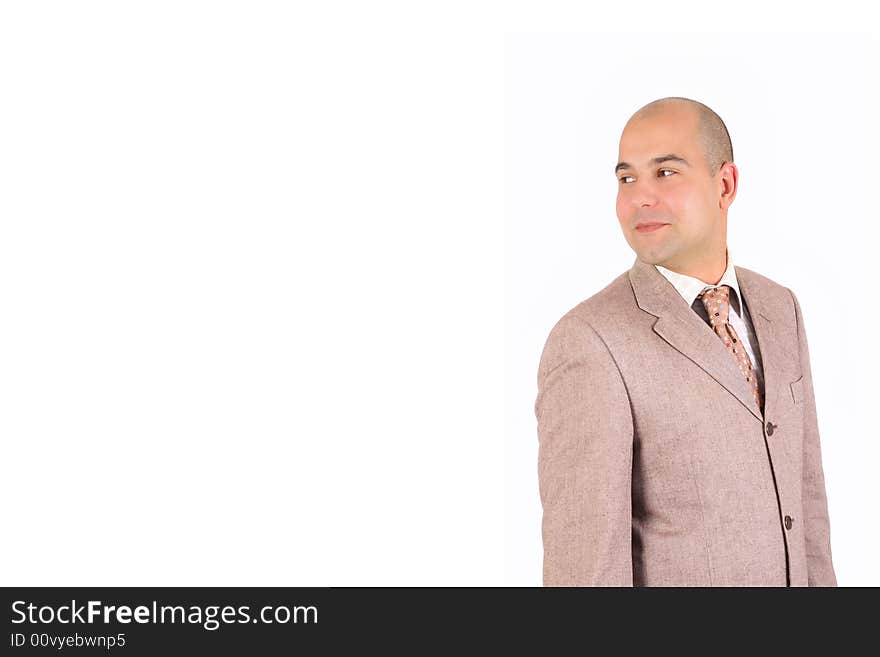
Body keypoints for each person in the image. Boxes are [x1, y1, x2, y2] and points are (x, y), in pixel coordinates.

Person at [534, 97, 837, 586]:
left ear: (725, 185)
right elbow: (584, 571)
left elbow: (809, 507)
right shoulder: (590, 342)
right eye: (626, 178)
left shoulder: (781, 309)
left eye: (666, 173)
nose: (640, 198)